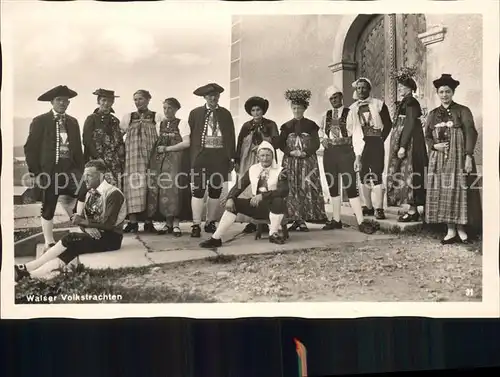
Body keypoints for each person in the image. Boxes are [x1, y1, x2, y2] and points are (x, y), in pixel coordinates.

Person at [15, 159, 126, 282]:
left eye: (89, 175)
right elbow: (77, 218)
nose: (85, 179)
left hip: (112, 239)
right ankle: (31, 274)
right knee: (73, 247)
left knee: (71, 238)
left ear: (101, 176)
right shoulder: (89, 192)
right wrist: (87, 227)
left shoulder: (113, 194)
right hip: (96, 234)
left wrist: (83, 222)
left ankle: (29, 268)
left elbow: (108, 225)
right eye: (84, 175)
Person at [24, 85, 87, 251]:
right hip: (49, 170)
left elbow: (78, 150)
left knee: (84, 189)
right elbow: (30, 148)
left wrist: (81, 171)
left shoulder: (73, 122)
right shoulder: (40, 121)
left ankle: (81, 224)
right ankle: (49, 241)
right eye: (59, 100)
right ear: (52, 102)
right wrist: (35, 173)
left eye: (66, 101)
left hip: (70, 169)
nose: (63, 103)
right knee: (49, 203)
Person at [424, 74, 482, 244]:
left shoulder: (463, 111)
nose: (444, 95)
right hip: (439, 158)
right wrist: (435, 146)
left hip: (458, 157)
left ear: (453, 92)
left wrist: (469, 156)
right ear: (437, 93)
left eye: (447, 91)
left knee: (459, 189)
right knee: (444, 190)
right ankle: (450, 230)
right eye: (441, 92)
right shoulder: (433, 114)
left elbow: (471, 132)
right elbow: (427, 135)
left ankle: (461, 229)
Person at [199, 141, 288, 248]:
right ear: (258, 157)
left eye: (268, 155)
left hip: (274, 208)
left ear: (273, 156)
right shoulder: (253, 169)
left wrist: (263, 196)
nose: (265, 158)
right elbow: (239, 186)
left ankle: (273, 234)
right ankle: (216, 238)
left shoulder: (281, 170)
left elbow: (283, 191)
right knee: (234, 203)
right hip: (257, 206)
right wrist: (230, 198)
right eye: (262, 155)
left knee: (278, 200)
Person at [319, 86, 377, 234]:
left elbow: (357, 134)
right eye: (331, 98)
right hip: (330, 153)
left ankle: (361, 222)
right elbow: (321, 131)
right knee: (333, 185)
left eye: (336, 97)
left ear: (341, 97)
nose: (334, 100)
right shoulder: (325, 115)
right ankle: (336, 220)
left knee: (351, 187)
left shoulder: (350, 113)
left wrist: (357, 157)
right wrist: (323, 140)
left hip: (346, 152)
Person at [188, 83, 236, 238]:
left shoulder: (225, 114)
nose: (213, 98)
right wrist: (192, 157)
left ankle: (210, 222)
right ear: (204, 97)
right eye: (210, 96)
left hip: (220, 156)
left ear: (219, 97)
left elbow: (231, 136)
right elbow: (191, 136)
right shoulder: (195, 113)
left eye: (215, 95)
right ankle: (196, 224)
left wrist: (232, 157)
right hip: (201, 156)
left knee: (215, 190)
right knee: (198, 190)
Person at [276, 89, 327, 232]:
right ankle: (295, 219)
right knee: (291, 188)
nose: (297, 110)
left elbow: (316, 143)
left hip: (307, 161)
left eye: (299, 108)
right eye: (294, 108)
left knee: (305, 187)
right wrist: (290, 151)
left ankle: (303, 219)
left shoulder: (311, 125)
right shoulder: (286, 126)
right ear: (291, 109)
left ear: (304, 108)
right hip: (290, 162)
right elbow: (280, 143)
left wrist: (305, 152)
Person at [386, 68, 428, 221]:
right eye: (400, 86)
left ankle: (413, 210)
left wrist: (403, 146)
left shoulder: (411, 102)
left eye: (403, 87)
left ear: (410, 88)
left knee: (411, 172)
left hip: (411, 143)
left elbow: (410, 123)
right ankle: (412, 208)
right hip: (405, 140)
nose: (400, 89)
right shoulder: (406, 101)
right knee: (406, 173)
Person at [347, 77, 392, 220]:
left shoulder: (379, 104)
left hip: (376, 142)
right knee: (363, 174)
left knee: (377, 174)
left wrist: (380, 139)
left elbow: (388, 124)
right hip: (360, 143)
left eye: (364, 87)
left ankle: (379, 208)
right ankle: (368, 206)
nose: (361, 91)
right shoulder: (353, 108)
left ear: (369, 89)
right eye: (358, 88)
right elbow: (351, 128)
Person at [146, 97, 192, 236]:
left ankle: (176, 224)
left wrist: (167, 149)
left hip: (176, 160)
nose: (167, 111)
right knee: (162, 189)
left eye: (170, 108)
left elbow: (186, 143)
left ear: (176, 109)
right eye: (165, 108)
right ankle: (168, 224)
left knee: (175, 189)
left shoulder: (182, 123)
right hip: (160, 161)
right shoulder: (159, 124)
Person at [234, 96, 279, 233]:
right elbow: (240, 143)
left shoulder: (271, 125)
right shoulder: (246, 126)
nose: (256, 113)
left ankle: (264, 220)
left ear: (263, 110)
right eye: (253, 110)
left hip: (265, 160)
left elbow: (276, 142)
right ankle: (251, 222)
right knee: (249, 187)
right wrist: (236, 160)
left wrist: (263, 145)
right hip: (248, 160)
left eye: (258, 109)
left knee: (265, 186)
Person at [121, 89, 163, 233]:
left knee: (149, 187)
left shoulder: (156, 116)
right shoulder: (128, 117)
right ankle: (132, 222)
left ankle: (148, 221)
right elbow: (119, 135)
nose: (138, 102)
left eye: (141, 99)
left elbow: (161, 136)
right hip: (132, 158)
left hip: (150, 155)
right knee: (132, 187)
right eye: (136, 99)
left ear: (148, 99)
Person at [82, 88, 125, 190]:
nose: (106, 104)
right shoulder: (91, 119)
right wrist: (97, 158)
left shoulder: (115, 121)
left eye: (109, 101)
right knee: (97, 189)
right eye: (103, 100)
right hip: (97, 161)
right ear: (98, 101)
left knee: (114, 189)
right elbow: (87, 140)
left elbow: (119, 142)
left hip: (114, 163)